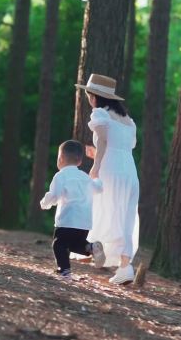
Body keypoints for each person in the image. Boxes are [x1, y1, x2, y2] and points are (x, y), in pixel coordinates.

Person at [75, 73, 140, 285]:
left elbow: (103, 140)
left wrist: (96, 164)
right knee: (125, 216)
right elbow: (122, 147)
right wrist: (97, 155)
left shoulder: (100, 114)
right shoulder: (128, 121)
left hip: (110, 169)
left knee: (100, 207)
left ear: (94, 97)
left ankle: (91, 247)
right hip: (129, 171)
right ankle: (125, 267)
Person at [40, 140, 106, 280]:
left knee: (59, 244)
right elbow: (99, 188)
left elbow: (54, 195)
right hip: (84, 222)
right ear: (80, 161)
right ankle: (91, 247)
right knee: (76, 244)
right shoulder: (85, 178)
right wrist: (97, 178)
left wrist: (45, 203)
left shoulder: (60, 176)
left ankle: (64, 271)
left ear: (60, 159)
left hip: (67, 220)